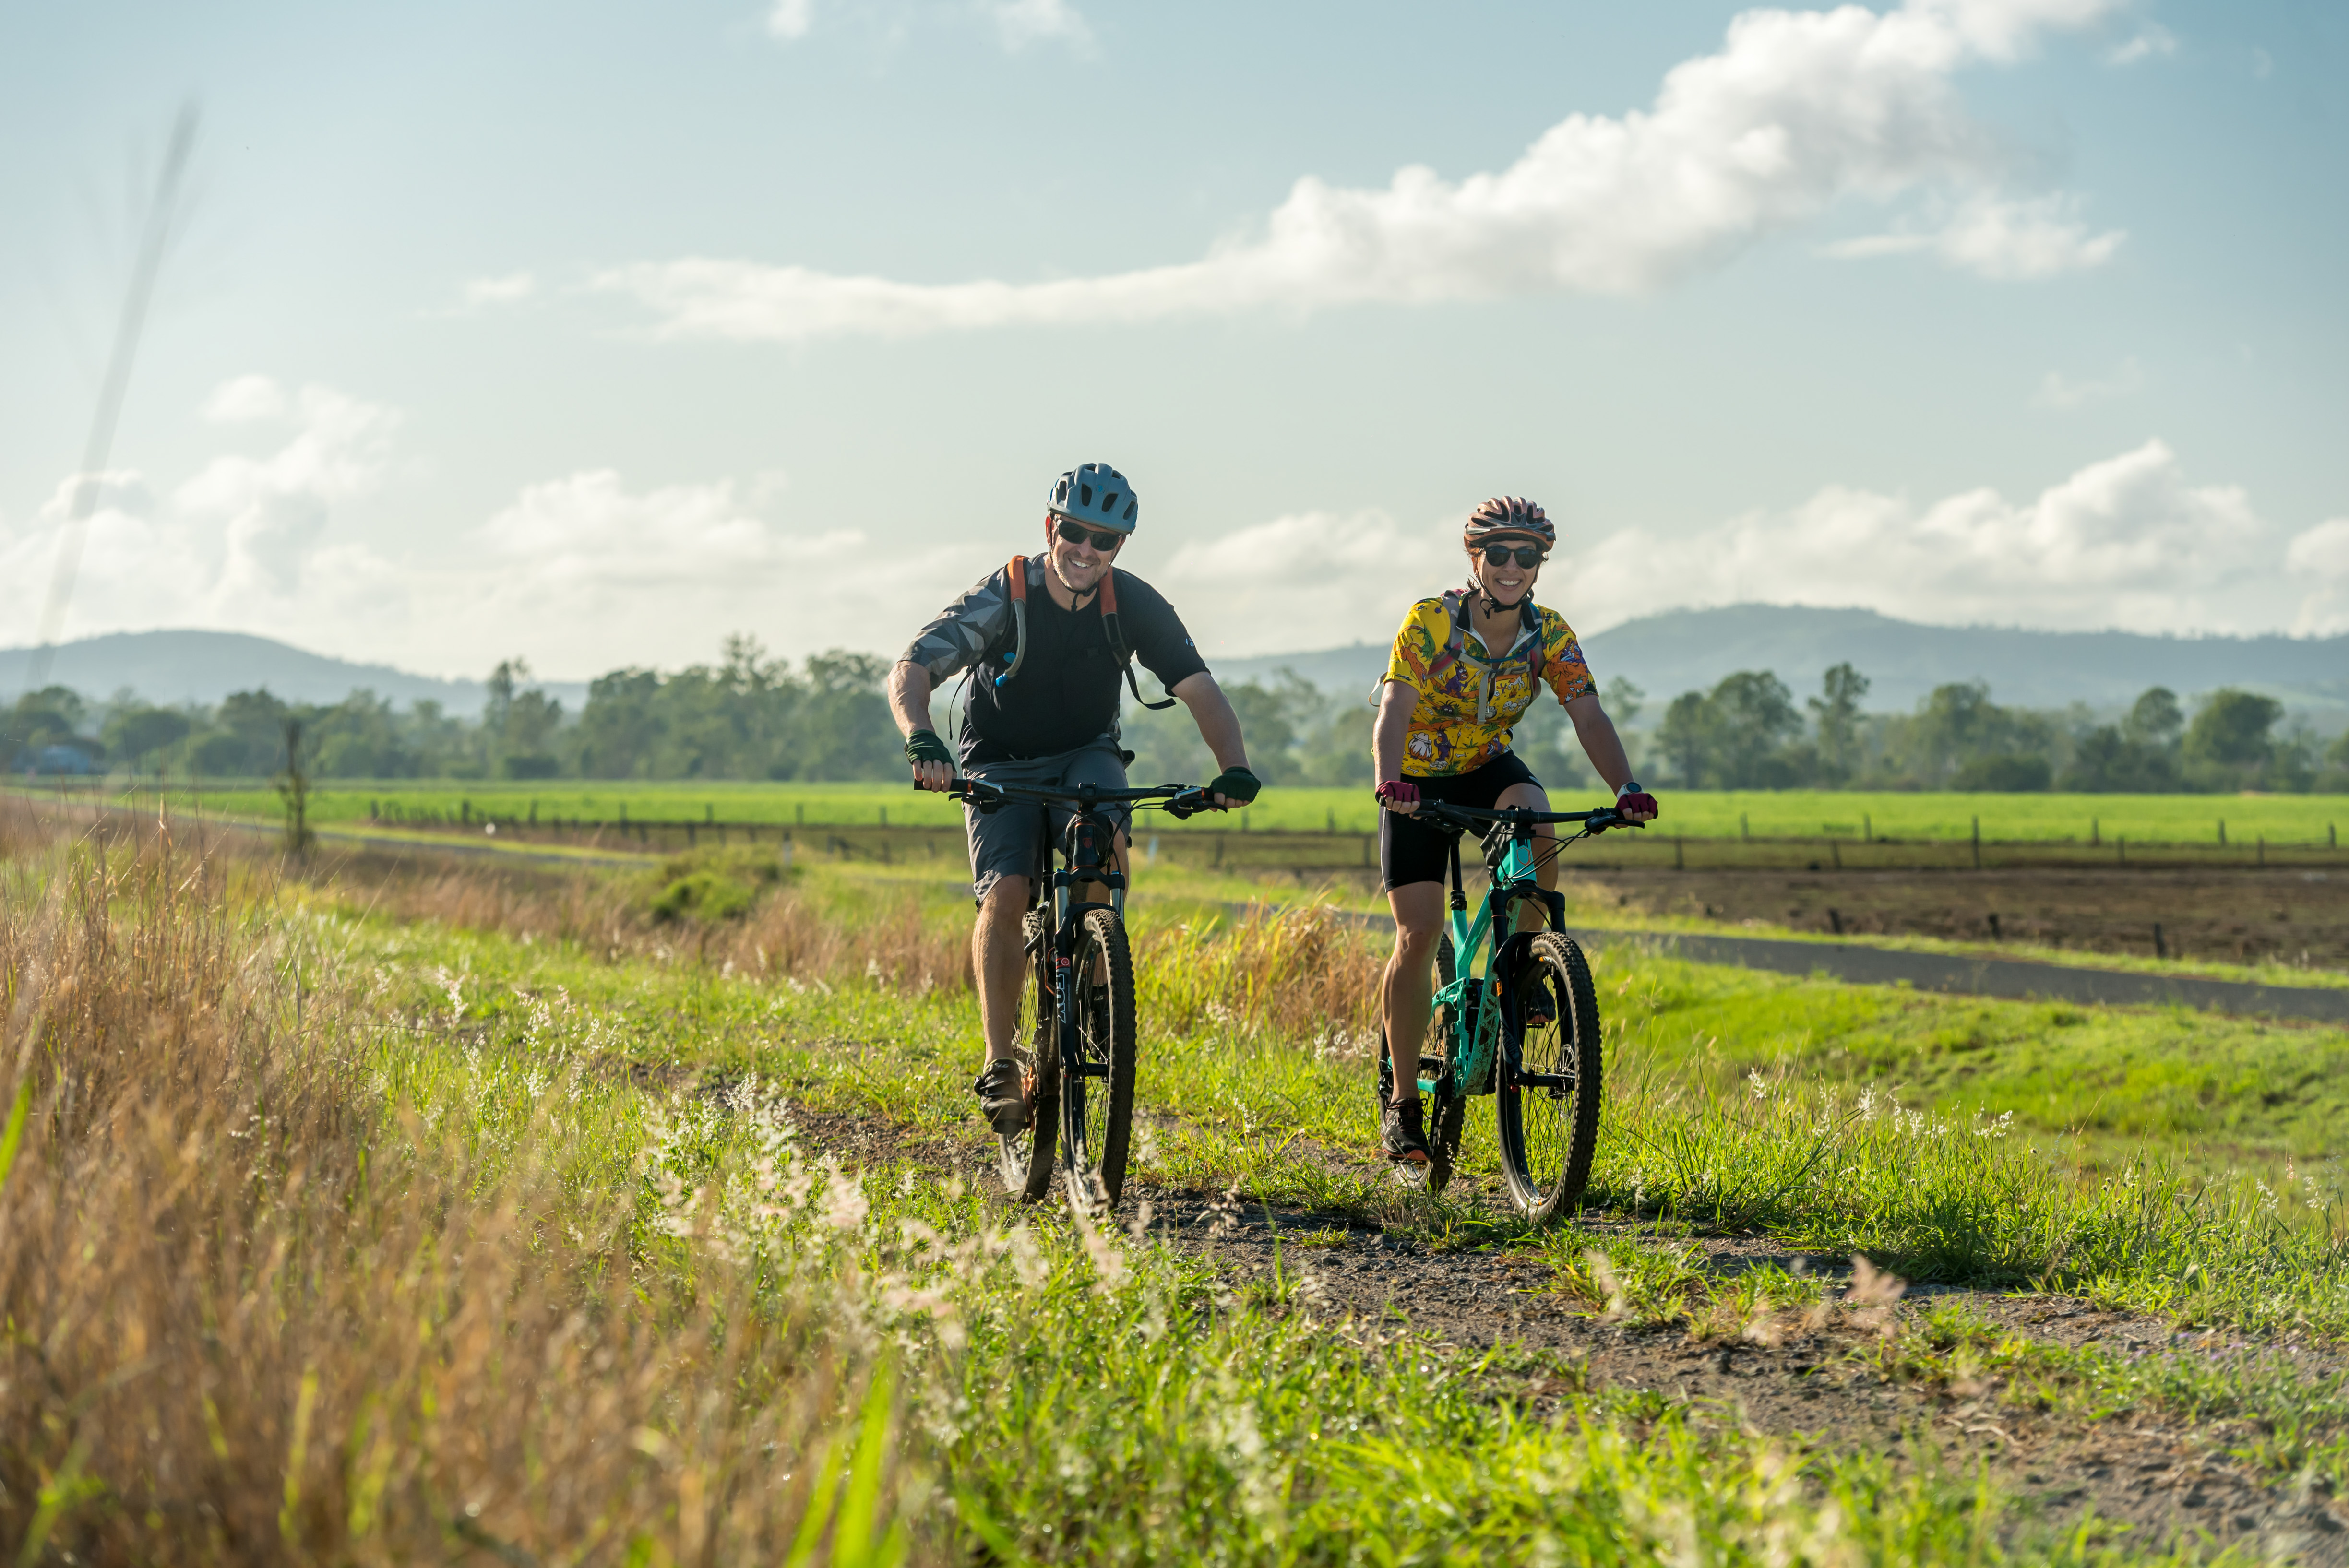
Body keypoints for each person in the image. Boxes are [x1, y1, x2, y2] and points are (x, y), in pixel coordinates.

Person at [891, 463, 1260, 1136]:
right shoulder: (1006, 595)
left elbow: (1199, 687)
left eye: (1105, 540)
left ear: (1120, 547)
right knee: (1006, 894)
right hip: (998, 756)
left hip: (1086, 750)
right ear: (1050, 529)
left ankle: (1095, 981)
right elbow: (915, 666)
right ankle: (1000, 1062)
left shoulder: (1134, 603)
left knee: (1104, 848)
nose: (1086, 550)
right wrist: (921, 738)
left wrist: (1233, 767)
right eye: (1075, 533)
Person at [1371, 495, 1658, 1165]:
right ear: (1474, 558)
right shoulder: (1431, 621)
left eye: (1526, 556)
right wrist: (1390, 781)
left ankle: (1524, 968)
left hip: (1486, 767)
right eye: (1497, 552)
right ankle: (1403, 1106)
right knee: (1418, 934)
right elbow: (1395, 708)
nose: (1511, 566)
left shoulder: (1549, 634)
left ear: (1539, 565)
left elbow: (1589, 715)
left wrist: (1625, 788)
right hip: (1415, 777)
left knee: (1535, 819)